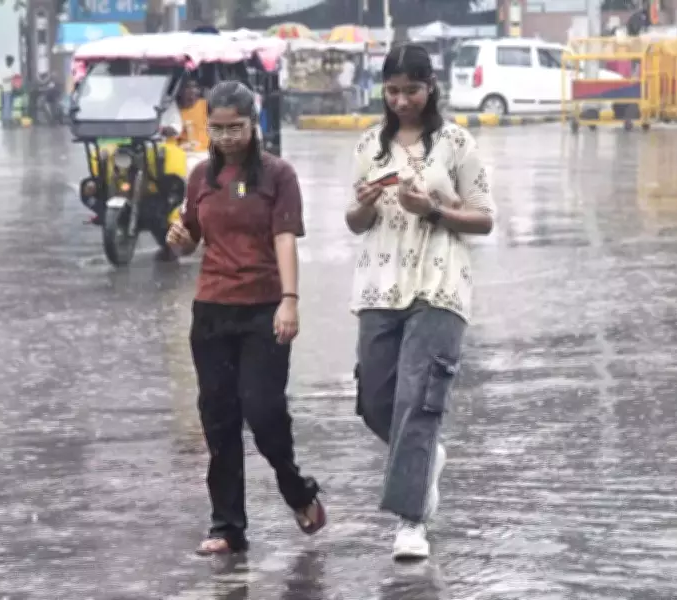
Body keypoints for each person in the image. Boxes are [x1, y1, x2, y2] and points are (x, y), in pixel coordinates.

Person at [346, 43, 495, 561]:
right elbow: (355, 222)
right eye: (392, 91)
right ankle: (426, 456)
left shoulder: (456, 143)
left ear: (430, 88)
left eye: (411, 90)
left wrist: (431, 209)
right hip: (378, 284)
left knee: (418, 401)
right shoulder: (369, 145)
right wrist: (364, 206)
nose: (401, 100)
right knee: (374, 401)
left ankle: (412, 522)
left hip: (440, 283)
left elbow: (484, 218)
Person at [165, 80, 326, 555]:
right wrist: (179, 240)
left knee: (263, 411)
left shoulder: (278, 175)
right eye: (217, 129)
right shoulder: (200, 176)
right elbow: (191, 238)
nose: (227, 137)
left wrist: (289, 299)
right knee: (218, 418)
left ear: (254, 124)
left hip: (263, 310)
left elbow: (284, 239)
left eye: (235, 127)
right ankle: (227, 526)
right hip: (212, 311)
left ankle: (296, 489)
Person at [0, 55, 17, 127]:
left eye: (12, 62)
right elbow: (4, 79)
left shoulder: (11, 69)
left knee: (10, 105)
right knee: (6, 105)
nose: (11, 63)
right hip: (6, 89)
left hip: (11, 89)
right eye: (10, 61)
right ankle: (5, 120)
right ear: (7, 61)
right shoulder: (4, 69)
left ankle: (9, 119)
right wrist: (11, 77)